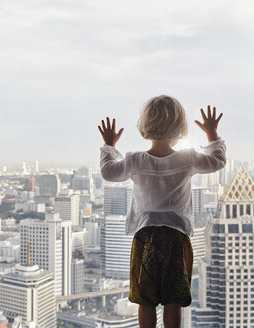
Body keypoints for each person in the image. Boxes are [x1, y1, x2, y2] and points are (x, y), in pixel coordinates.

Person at [97, 95, 226, 328]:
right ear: (180, 128)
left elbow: (109, 172)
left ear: (145, 126)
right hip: (176, 237)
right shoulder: (188, 158)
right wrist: (212, 133)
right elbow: (217, 161)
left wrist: (109, 146)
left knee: (145, 299)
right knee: (173, 298)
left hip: (146, 236)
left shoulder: (136, 160)